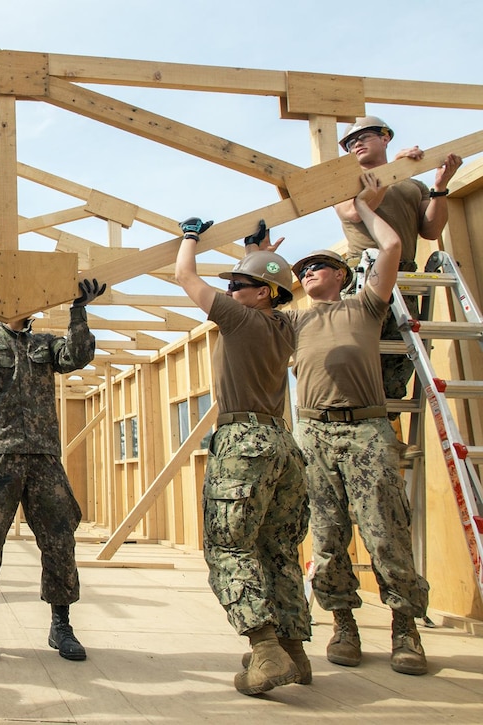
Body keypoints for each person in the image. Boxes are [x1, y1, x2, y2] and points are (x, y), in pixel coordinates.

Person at [264, 172, 430, 676]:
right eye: (304, 269)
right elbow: (251, 299)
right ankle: (343, 624)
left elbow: (394, 245)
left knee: (385, 530)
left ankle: (405, 628)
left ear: (341, 275)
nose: (311, 271)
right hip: (313, 432)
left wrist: (363, 208)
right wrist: (266, 256)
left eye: (320, 266)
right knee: (328, 535)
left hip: (366, 430)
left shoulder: (367, 307)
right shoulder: (293, 321)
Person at [174, 218, 310, 695]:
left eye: (239, 284)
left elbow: (185, 278)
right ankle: (294, 651)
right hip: (282, 446)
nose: (230, 289)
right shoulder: (285, 325)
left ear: (264, 294)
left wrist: (189, 237)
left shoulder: (238, 318)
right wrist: (258, 256)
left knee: (229, 547)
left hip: (244, 443)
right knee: (277, 549)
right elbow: (266, 280)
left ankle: (266, 650)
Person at [0, 279, 102, 662]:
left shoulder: (46, 344)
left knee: (59, 538)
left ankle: (61, 625)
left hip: (43, 455)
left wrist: (78, 311)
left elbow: (78, 356)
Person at [334, 116, 463, 404]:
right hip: (367, 274)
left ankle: (390, 431)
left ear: (385, 138)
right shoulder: (345, 184)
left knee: (397, 361)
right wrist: (392, 173)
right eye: (350, 143)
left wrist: (439, 187)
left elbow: (430, 229)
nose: (355, 145)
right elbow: (356, 213)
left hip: (403, 277)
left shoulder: (412, 184)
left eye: (363, 137)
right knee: (361, 355)